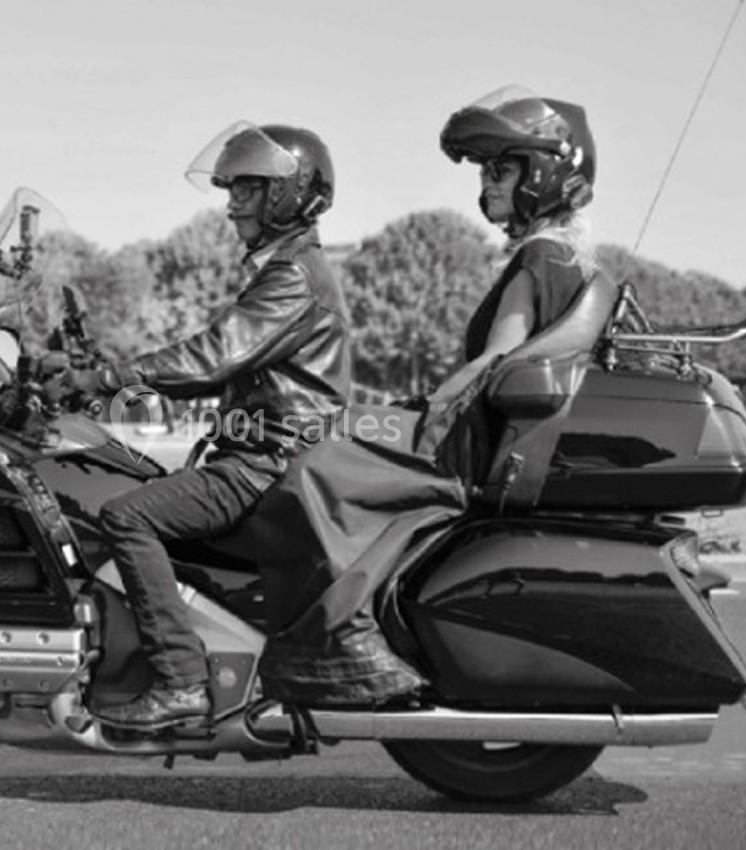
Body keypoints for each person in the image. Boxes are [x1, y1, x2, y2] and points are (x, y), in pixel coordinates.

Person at [252, 86, 603, 706]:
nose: (488, 182)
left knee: (317, 455)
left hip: (459, 443)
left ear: (545, 172)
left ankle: (346, 637)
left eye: (502, 168)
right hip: (470, 433)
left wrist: (417, 418)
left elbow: (497, 360)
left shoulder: (542, 258)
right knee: (339, 426)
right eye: (487, 170)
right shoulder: (559, 257)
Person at [64, 122, 351, 728]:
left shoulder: (293, 277)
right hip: (267, 456)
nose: (230, 206)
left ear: (286, 195)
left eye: (247, 190)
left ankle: (180, 681)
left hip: (265, 466)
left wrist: (108, 379)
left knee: (125, 514)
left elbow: (211, 357)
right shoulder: (287, 270)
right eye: (231, 190)